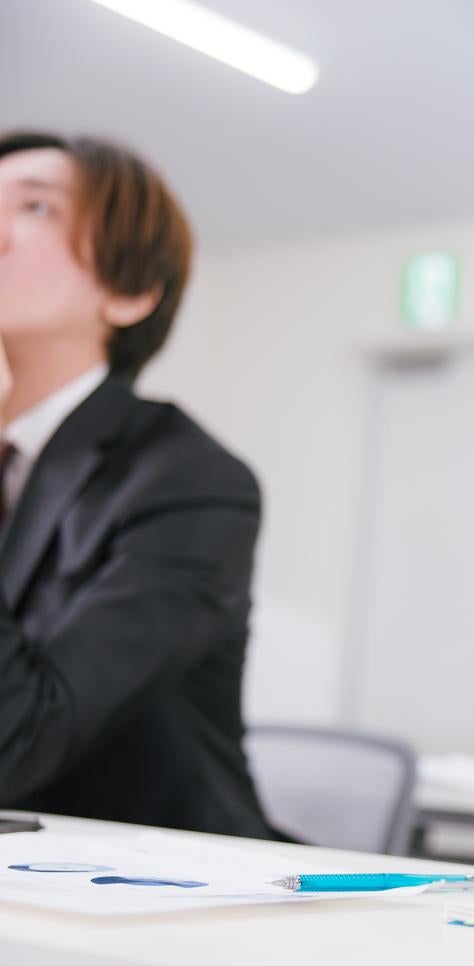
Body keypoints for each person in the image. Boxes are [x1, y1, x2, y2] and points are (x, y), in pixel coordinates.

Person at [0, 131, 275, 838]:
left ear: (128, 293)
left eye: (34, 207)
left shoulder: (192, 482)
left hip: (161, 899)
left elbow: (19, 740)